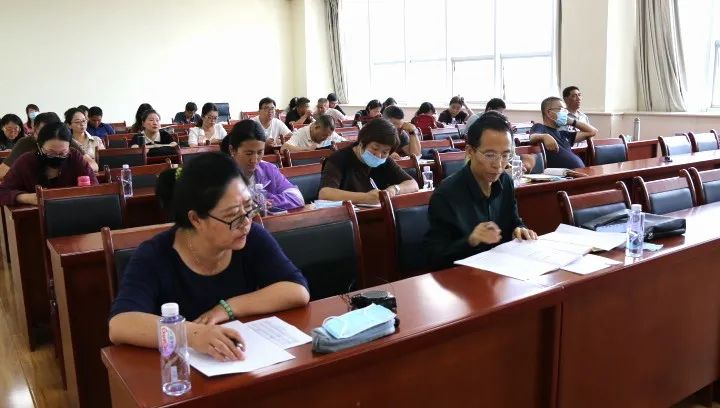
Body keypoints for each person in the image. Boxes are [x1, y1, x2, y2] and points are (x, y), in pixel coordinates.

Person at [108, 152, 310, 361]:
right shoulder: (154, 255)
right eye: (232, 215)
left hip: (241, 362)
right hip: (179, 370)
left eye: (249, 207)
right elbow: (121, 324)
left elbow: (297, 291)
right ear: (196, 219)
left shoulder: (252, 237)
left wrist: (227, 308)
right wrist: (192, 334)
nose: (246, 222)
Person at [424, 111, 537, 269]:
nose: (498, 165)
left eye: (505, 155)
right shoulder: (446, 194)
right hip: (464, 277)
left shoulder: (505, 181)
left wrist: (520, 229)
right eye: (490, 155)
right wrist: (471, 241)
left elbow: (514, 220)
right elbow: (434, 257)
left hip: (502, 270)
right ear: (470, 151)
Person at [319, 118, 419, 205]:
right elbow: (325, 194)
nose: (379, 155)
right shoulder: (339, 158)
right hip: (345, 217)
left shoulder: (384, 160)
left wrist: (394, 189)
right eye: (375, 148)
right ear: (362, 143)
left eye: (385, 152)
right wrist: (366, 198)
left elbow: (413, 184)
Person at [0, 122, 98, 206]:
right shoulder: (25, 161)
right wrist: (27, 198)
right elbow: (3, 191)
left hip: (72, 210)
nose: (57, 156)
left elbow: (95, 186)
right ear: (39, 146)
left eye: (63, 153)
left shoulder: (74, 156)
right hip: (35, 216)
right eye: (51, 152)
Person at [222, 120, 304, 210]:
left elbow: (297, 198)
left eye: (260, 152)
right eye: (249, 153)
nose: (254, 160)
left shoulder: (268, 169)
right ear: (232, 150)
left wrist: (269, 202)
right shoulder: (220, 175)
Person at [0, 112, 99, 179]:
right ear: (34, 130)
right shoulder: (25, 143)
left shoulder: (64, 141)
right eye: (43, 133)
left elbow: (93, 166)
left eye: (52, 133)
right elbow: (2, 172)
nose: (48, 138)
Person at [528, 96, 598, 169]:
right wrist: (545, 137)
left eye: (565, 110)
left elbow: (592, 131)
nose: (565, 113)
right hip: (562, 175)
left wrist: (571, 121)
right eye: (561, 109)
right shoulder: (540, 127)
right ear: (549, 113)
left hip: (579, 172)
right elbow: (532, 137)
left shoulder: (564, 134)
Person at [281, 115, 345, 152]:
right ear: (316, 127)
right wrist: (306, 150)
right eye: (323, 135)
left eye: (328, 136)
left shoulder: (328, 133)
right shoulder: (301, 133)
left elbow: (346, 143)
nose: (326, 138)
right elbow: (283, 148)